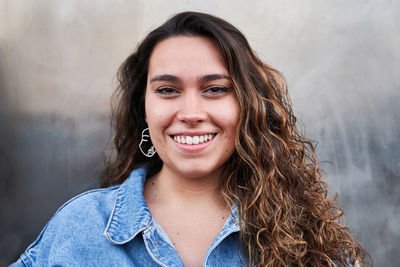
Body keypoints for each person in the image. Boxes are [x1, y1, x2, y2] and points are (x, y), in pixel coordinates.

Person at [11, 11, 366, 267]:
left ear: (248, 106)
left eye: (215, 89)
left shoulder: (303, 234)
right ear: (144, 108)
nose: (191, 112)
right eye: (167, 90)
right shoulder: (81, 227)